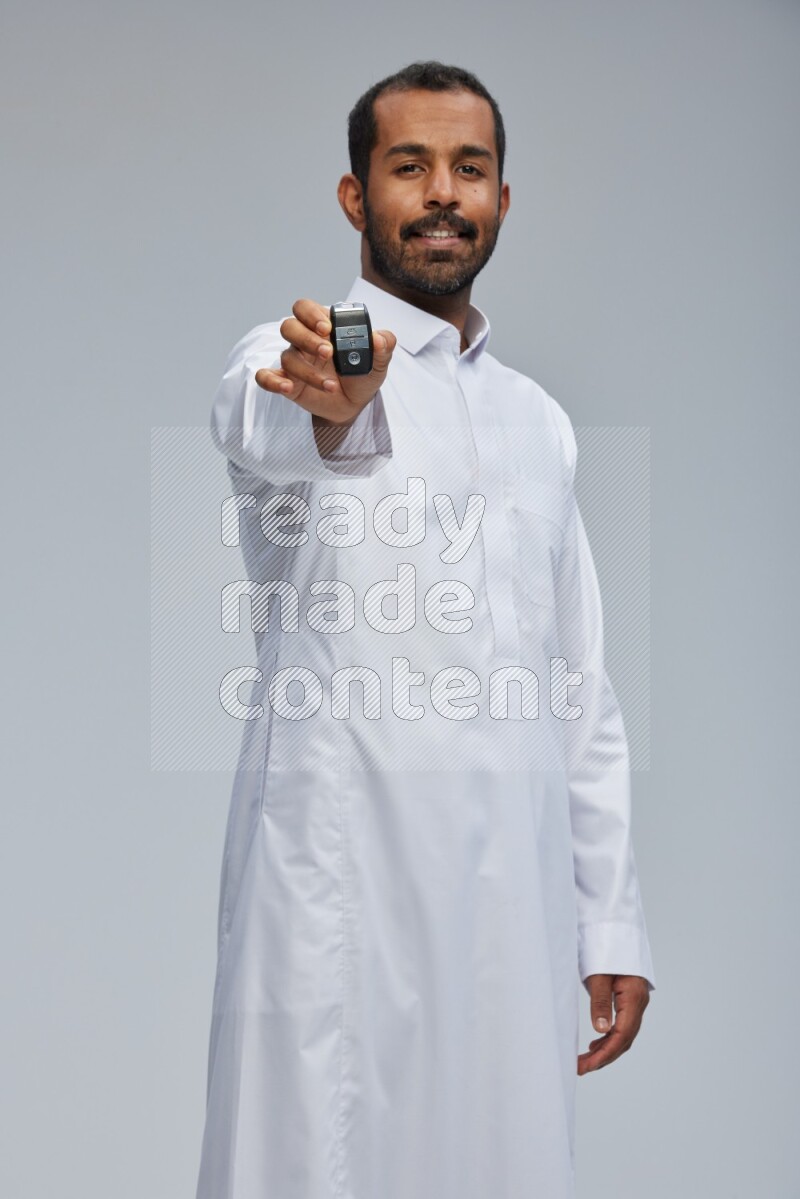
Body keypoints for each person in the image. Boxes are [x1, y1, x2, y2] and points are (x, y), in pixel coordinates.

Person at [196, 60, 655, 1199]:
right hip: (338, 882)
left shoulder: (538, 423)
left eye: (469, 168)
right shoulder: (296, 354)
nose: (442, 192)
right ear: (356, 196)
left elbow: (577, 684)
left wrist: (610, 920)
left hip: (512, 895)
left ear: (500, 197)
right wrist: (332, 399)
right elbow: (272, 420)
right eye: (409, 166)